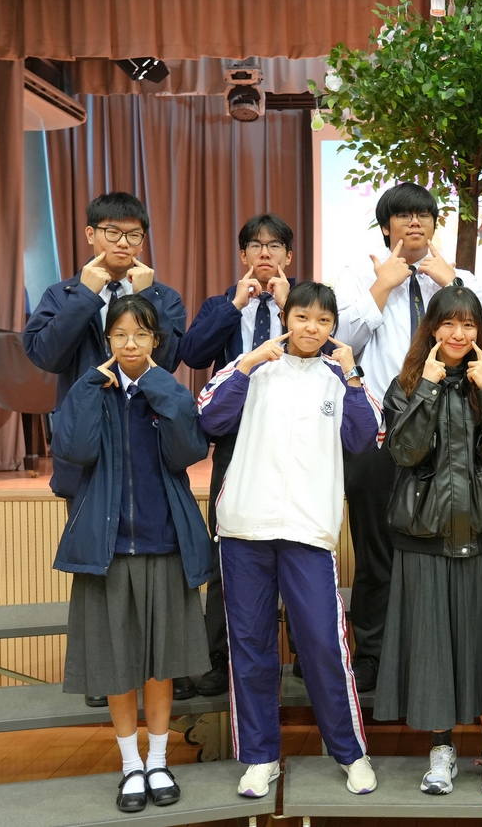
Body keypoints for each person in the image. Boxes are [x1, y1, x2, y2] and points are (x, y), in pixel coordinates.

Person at [197, 281, 380, 799]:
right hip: (244, 528)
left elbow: (365, 438)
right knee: (250, 648)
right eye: (302, 317)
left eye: (323, 321)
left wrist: (352, 375)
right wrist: (248, 364)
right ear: (286, 318)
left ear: (333, 329)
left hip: (308, 531)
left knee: (324, 646)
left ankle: (351, 753)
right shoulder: (253, 367)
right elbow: (209, 417)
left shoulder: (338, 378)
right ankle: (260, 758)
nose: (311, 328)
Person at [23, 191, 191, 705]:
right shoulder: (63, 294)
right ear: (91, 235)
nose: (123, 242)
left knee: (155, 569)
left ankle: (161, 670)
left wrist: (151, 296)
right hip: (89, 453)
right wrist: (87, 295)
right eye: (113, 232)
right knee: (99, 567)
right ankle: (106, 676)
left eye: (133, 234)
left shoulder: (162, 294)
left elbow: (173, 359)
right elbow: (45, 355)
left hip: (149, 449)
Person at [50, 294, 211, 813]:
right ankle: (130, 766)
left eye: (141, 334)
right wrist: (87, 388)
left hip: (164, 543)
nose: (130, 343)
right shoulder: (93, 389)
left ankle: (159, 760)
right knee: (117, 665)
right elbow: (74, 450)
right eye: (120, 335)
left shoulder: (168, 390)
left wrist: (158, 385)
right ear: (108, 341)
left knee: (160, 666)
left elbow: (190, 450)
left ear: (156, 341)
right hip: (108, 548)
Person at [334, 182, 482, 693]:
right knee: (375, 548)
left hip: (449, 431)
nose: (414, 223)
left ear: (433, 224)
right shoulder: (357, 273)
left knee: (436, 549)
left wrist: (453, 285)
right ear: (386, 227)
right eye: (403, 216)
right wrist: (381, 287)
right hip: (379, 430)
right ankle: (374, 656)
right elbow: (340, 342)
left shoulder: (460, 277)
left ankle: (432, 659)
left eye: (423, 215)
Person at [374, 286, 482, 797]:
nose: (459, 334)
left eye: (469, 324)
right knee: (433, 646)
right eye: (449, 324)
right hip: (425, 534)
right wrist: (429, 387)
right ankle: (441, 751)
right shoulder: (407, 384)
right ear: (432, 329)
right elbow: (405, 452)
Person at [178, 213, 300, 697]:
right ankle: (218, 659)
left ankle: (304, 657)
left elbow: (326, 354)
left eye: (275, 245)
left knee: (298, 549)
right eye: (255, 245)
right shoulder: (221, 304)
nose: (265, 252)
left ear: (289, 255)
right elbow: (192, 353)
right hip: (236, 444)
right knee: (226, 550)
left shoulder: (305, 302)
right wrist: (234, 307)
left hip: (295, 443)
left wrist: (291, 308)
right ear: (243, 254)